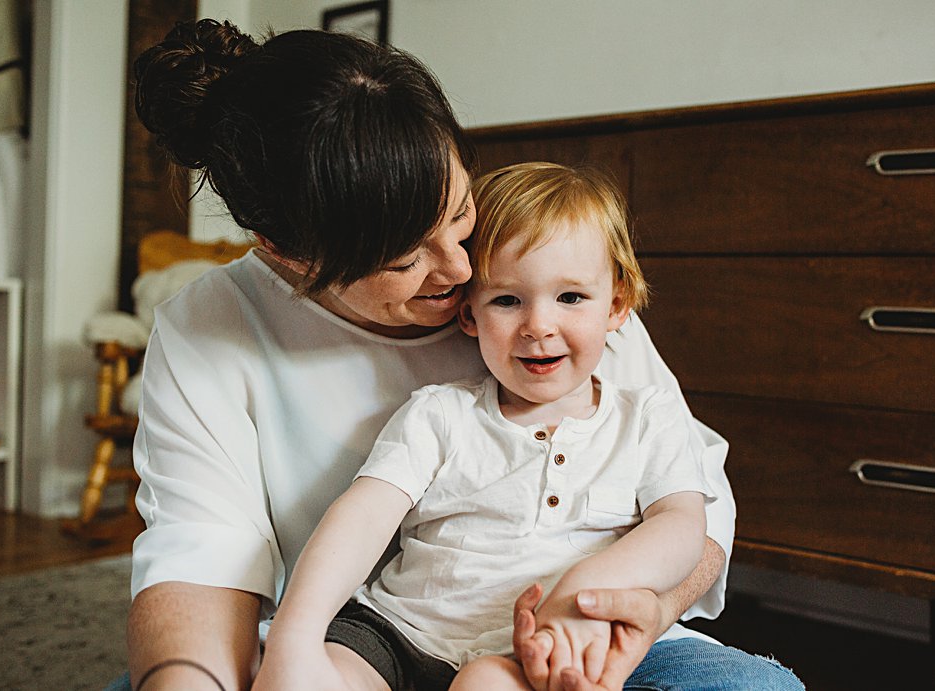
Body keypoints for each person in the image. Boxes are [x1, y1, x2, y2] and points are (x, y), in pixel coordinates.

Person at [123, 19, 800, 691]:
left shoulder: (541, 263)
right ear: (286, 251)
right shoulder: (213, 328)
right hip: (381, 635)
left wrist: (643, 609)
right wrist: (275, 654)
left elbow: (697, 514)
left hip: (586, 638)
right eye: (405, 256)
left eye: (458, 213)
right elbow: (200, 559)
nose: (459, 267)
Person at [255, 162, 714, 691]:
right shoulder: (440, 414)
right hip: (396, 632)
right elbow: (360, 519)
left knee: (485, 686)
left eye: (570, 297)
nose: (539, 325)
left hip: (523, 650)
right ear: (469, 315)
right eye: (507, 300)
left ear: (616, 305)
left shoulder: (647, 418)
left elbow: (681, 527)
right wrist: (295, 636)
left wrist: (587, 585)